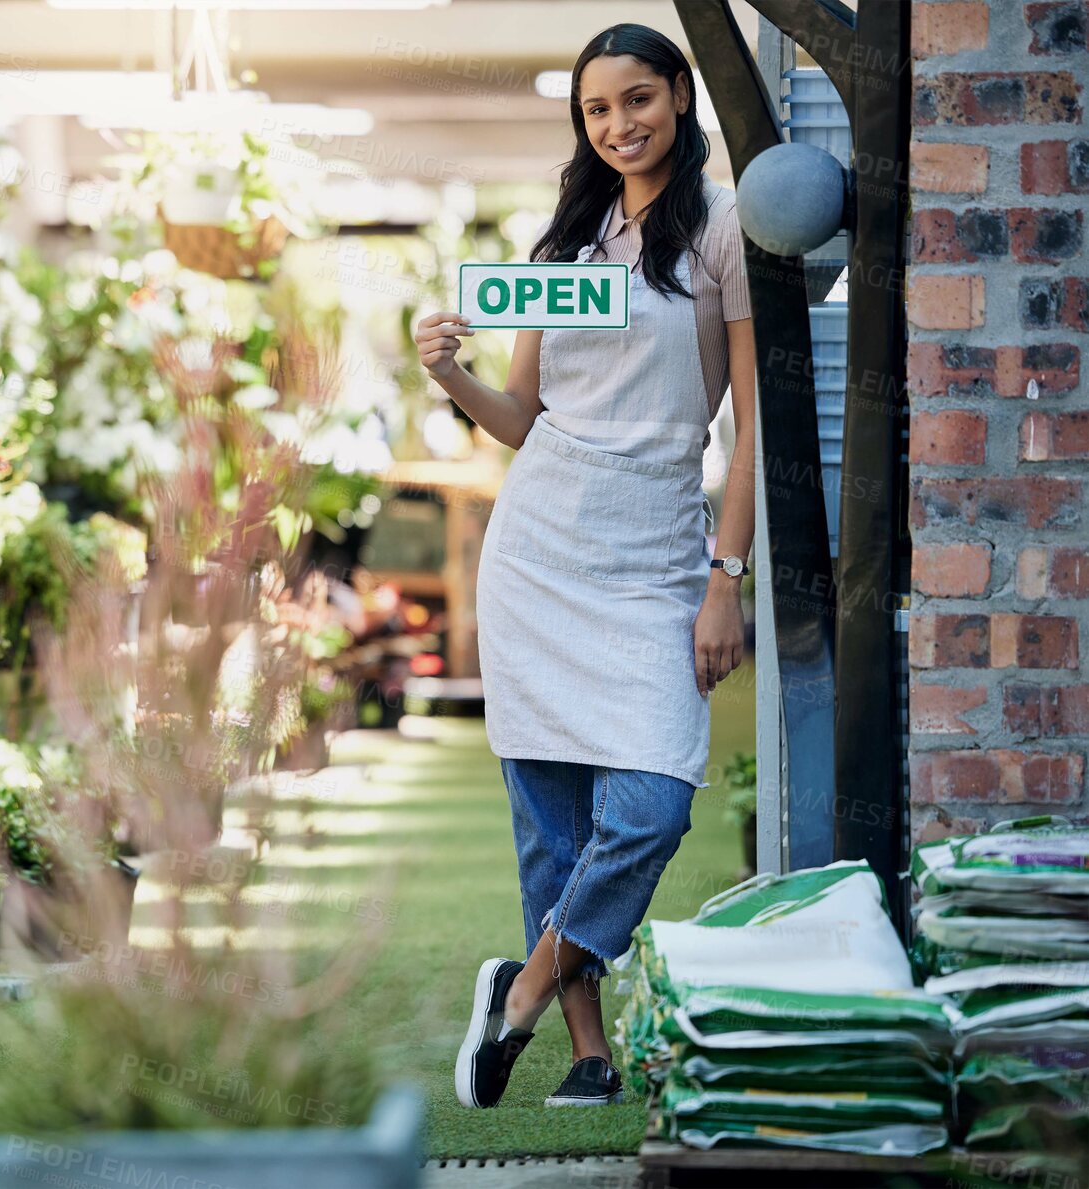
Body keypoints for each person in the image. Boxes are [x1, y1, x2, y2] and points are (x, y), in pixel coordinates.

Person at [413, 22, 757, 1110]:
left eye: (638, 100)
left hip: (654, 549)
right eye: (597, 109)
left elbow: (752, 426)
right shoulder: (559, 244)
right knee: (551, 818)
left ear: (678, 99)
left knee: (650, 803)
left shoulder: (720, 228)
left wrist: (725, 575)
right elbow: (520, 419)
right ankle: (585, 1050)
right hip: (537, 555)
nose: (619, 125)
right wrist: (447, 374)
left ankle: (512, 997)